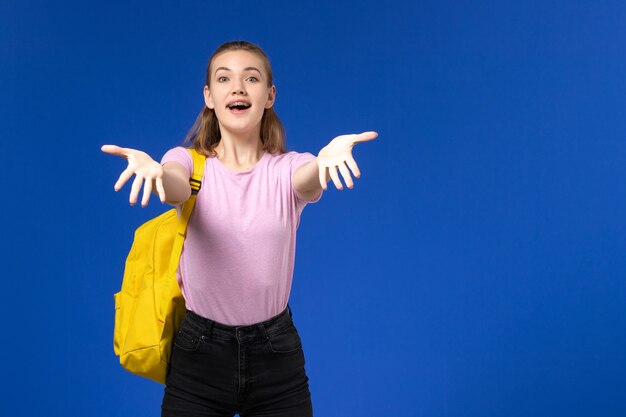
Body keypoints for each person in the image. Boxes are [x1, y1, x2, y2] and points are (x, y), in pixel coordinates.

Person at [102, 40, 377, 417]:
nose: (238, 87)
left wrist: (326, 160)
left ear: (269, 96)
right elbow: (174, 185)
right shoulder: (186, 162)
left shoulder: (287, 169)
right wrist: (158, 175)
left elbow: (310, 179)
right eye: (224, 78)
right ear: (209, 96)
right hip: (198, 352)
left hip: (275, 353)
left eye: (252, 78)